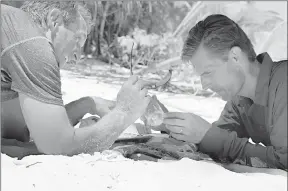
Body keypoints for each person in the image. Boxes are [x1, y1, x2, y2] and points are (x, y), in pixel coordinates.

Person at [1, 2, 150, 158]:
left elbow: (19, 136)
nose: (78, 57)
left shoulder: (14, 33)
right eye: (78, 40)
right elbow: (58, 146)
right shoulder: (33, 44)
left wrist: (86, 105)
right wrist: (124, 113)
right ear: (54, 20)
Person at [154, 14, 287, 170]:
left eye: (208, 72)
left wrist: (209, 136)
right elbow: (215, 138)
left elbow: (284, 161)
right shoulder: (240, 99)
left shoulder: (284, 83)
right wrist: (170, 124)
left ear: (235, 57)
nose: (204, 85)